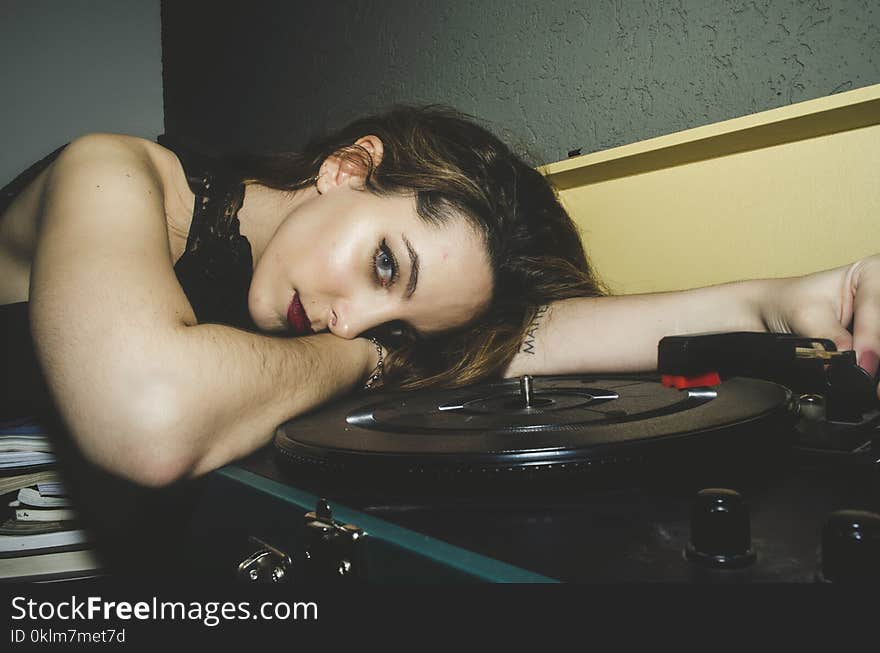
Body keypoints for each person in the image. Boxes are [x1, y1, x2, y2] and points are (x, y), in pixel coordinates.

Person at [1, 104, 878, 494]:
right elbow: (148, 421)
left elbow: (540, 336)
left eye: (403, 328)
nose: (354, 315)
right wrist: (376, 355)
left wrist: (803, 294)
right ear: (348, 168)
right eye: (386, 266)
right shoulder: (110, 171)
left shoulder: (357, 314)